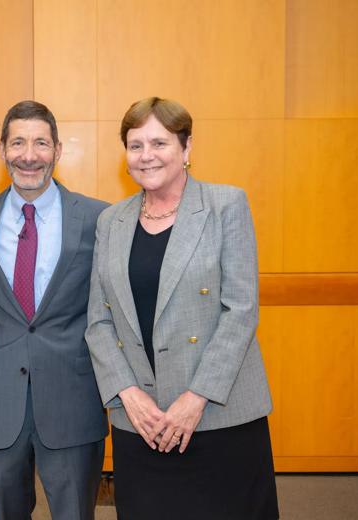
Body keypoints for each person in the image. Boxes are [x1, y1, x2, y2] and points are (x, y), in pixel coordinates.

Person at [85, 97, 279, 519]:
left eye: (160, 142)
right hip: (142, 420)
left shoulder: (225, 205)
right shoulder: (110, 222)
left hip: (218, 414)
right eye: (135, 145)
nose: (146, 155)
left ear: (186, 149)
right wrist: (127, 394)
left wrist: (196, 398)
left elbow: (241, 309)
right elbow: (98, 322)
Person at [0, 100, 108, 520]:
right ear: (1, 149)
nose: (29, 155)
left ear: (58, 150)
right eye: (18, 142)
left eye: (41, 143)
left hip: (73, 397)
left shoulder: (99, 219)